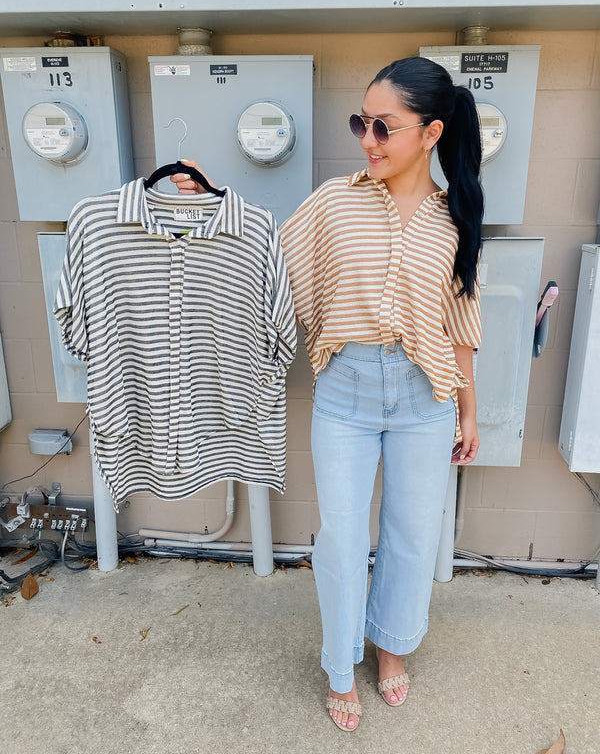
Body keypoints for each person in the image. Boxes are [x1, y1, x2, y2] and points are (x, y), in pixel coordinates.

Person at [172, 55, 483, 732]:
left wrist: (468, 407)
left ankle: (391, 648)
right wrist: (216, 206)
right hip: (344, 390)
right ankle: (341, 666)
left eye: (383, 127)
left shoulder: (455, 216)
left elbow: (460, 320)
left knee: (409, 534)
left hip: (424, 394)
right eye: (360, 122)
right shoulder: (334, 202)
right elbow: (268, 258)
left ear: (431, 133)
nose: (367, 139)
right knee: (342, 537)